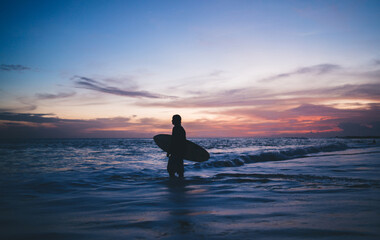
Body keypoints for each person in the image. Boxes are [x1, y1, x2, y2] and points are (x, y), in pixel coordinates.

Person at [167, 114, 186, 179]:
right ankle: (180, 185)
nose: (172, 121)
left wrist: (169, 151)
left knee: (171, 170)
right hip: (180, 153)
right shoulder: (181, 129)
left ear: (177, 120)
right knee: (180, 171)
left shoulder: (176, 129)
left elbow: (174, 141)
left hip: (176, 153)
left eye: (173, 119)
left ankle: (174, 185)